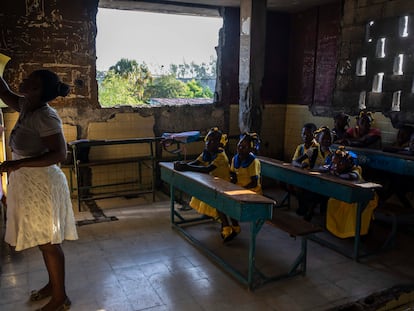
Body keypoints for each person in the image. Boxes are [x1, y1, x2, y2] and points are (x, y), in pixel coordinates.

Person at [0, 69, 78, 311]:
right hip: (30, 183)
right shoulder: (26, 105)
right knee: (44, 240)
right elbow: (3, 91)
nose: (22, 80)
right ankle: (52, 285)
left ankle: (60, 299)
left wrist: (17, 163)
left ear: (38, 91)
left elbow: (60, 155)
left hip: (43, 184)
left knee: (49, 243)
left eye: (29, 81)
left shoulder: (45, 116)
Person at [174, 127, 231, 224]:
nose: (208, 143)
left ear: (219, 144)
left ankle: (220, 218)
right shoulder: (207, 153)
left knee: (212, 196)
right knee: (201, 191)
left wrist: (186, 167)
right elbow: (196, 162)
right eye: (207, 140)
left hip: (223, 183)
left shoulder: (221, 156)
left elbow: (207, 169)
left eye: (212, 142)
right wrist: (183, 166)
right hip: (212, 181)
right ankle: (208, 213)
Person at [326, 146, 378, 238]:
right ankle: (338, 230)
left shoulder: (356, 169)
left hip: (362, 197)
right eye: (334, 163)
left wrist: (337, 174)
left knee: (351, 210)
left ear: (349, 164)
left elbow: (351, 176)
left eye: (340, 164)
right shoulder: (336, 168)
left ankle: (354, 233)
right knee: (332, 202)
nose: (336, 166)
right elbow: (326, 168)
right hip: (346, 194)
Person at [225, 132, 262, 242]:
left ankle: (235, 226)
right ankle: (234, 226)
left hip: (252, 191)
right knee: (225, 198)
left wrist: (240, 190)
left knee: (232, 201)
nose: (240, 148)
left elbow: (254, 183)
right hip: (240, 189)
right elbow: (233, 174)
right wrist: (231, 181)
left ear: (250, 149)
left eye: (244, 147)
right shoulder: (235, 158)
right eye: (239, 145)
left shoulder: (253, 162)